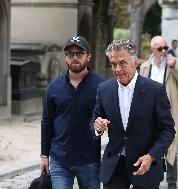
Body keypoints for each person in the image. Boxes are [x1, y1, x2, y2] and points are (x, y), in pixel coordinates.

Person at [92, 39, 175, 189]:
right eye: (113, 64)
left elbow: (168, 131)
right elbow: (95, 121)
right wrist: (97, 127)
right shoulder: (104, 89)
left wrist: (151, 156)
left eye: (122, 63)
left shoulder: (155, 90)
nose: (117, 69)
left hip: (145, 164)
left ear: (135, 61)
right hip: (114, 166)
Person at [40, 35, 105, 189]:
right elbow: (46, 121)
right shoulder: (54, 87)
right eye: (70, 54)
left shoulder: (102, 86)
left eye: (79, 54)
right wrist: (44, 155)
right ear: (65, 57)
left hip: (89, 159)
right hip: (59, 159)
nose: (75, 58)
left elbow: (107, 119)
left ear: (88, 56)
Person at [140, 36, 178, 189]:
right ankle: (150, 178)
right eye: (160, 49)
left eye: (166, 48)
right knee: (149, 146)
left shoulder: (176, 64)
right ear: (152, 50)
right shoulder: (145, 66)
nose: (164, 51)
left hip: (169, 112)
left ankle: (172, 182)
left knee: (171, 147)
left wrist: (175, 65)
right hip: (150, 114)